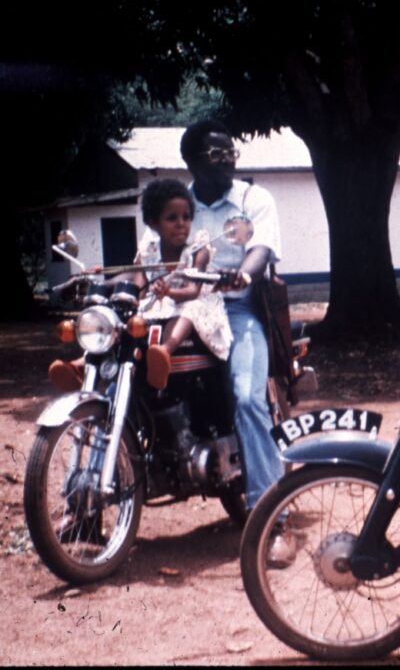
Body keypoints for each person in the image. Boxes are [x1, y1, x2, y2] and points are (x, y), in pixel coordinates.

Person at [159, 119, 292, 566]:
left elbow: (262, 250)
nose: (229, 160)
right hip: (179, 305)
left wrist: (245, 274)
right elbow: (151, 250)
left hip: (237, 308)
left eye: (232, 151)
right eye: (217, 155)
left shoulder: (255, 199)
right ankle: (85, 501)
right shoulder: (179, 206)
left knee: (247, 399)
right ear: (192, 162)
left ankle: (275, 518)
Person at [47, 179, 233, 391]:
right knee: (122, 317)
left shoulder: (199, 249)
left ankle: (163, 352)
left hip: (197, 307)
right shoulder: (148, 251)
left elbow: (193, 291)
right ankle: (82, 365)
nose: (181, 223)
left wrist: (169, 291)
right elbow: (139, 287)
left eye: (186, 217)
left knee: (188, 309)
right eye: (172, 218)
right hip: (160, 305)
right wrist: (100, 282)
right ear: (153, 223)